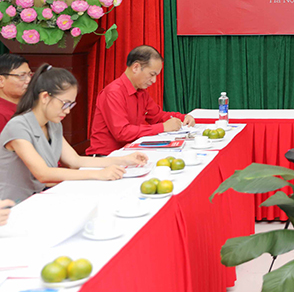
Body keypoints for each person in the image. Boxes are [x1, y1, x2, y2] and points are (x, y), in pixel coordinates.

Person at [0, 64, 147, 203]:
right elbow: (43, 174)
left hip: (40, 197)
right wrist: (98, 174)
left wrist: (124, 160)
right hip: (12, 206)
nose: (68, 110)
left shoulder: (53, 124)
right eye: (65, 103)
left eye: (71, 104)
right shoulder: (18, 126)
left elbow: (75, 160)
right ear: (45, 97)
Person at [87, 45, 196, 156]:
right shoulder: (113, 92)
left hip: (130, 153)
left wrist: (183, 118)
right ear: (136, 67)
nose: (154, 80)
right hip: (107, 157)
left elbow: (157, 117)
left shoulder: (141, 92)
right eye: (152, 74)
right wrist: (163, 127)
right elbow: (122, 133)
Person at [0, 54, 31, 133]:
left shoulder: (28, 106)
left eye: (29, 75)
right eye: (22, 76)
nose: (29, 80)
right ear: (1, 81)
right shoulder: (1, 114)